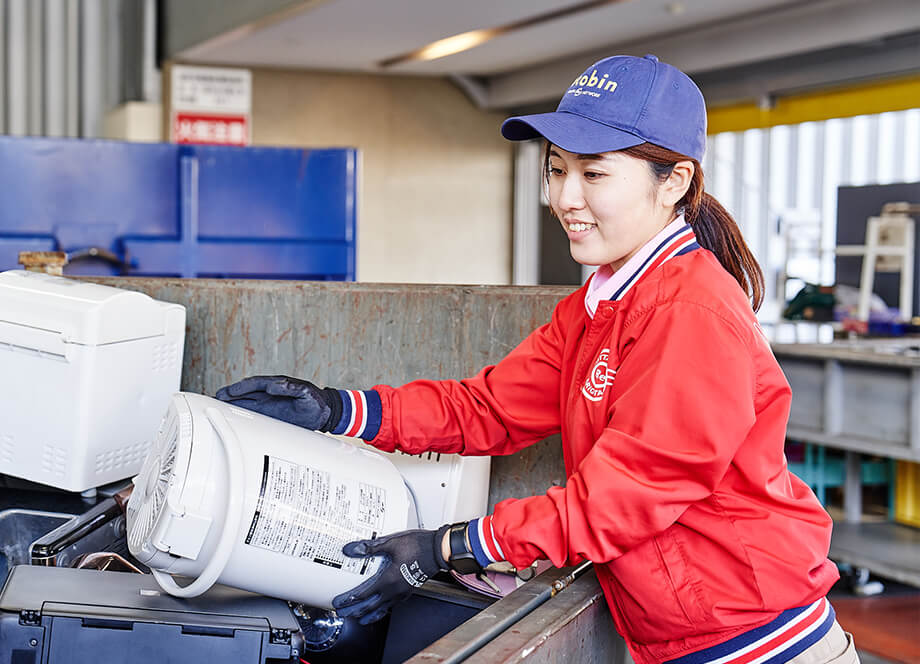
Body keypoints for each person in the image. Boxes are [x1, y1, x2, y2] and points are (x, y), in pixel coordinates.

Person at [217, 54, 858, 664]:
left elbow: (625, 496)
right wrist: (339, 409)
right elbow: (489, 408)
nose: (564, 198)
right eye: (556, 170)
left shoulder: (688, 312)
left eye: (594, 174)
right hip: (690, 638)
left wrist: (453, 547)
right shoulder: (600, 305)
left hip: (761, 643)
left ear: (676, 181)